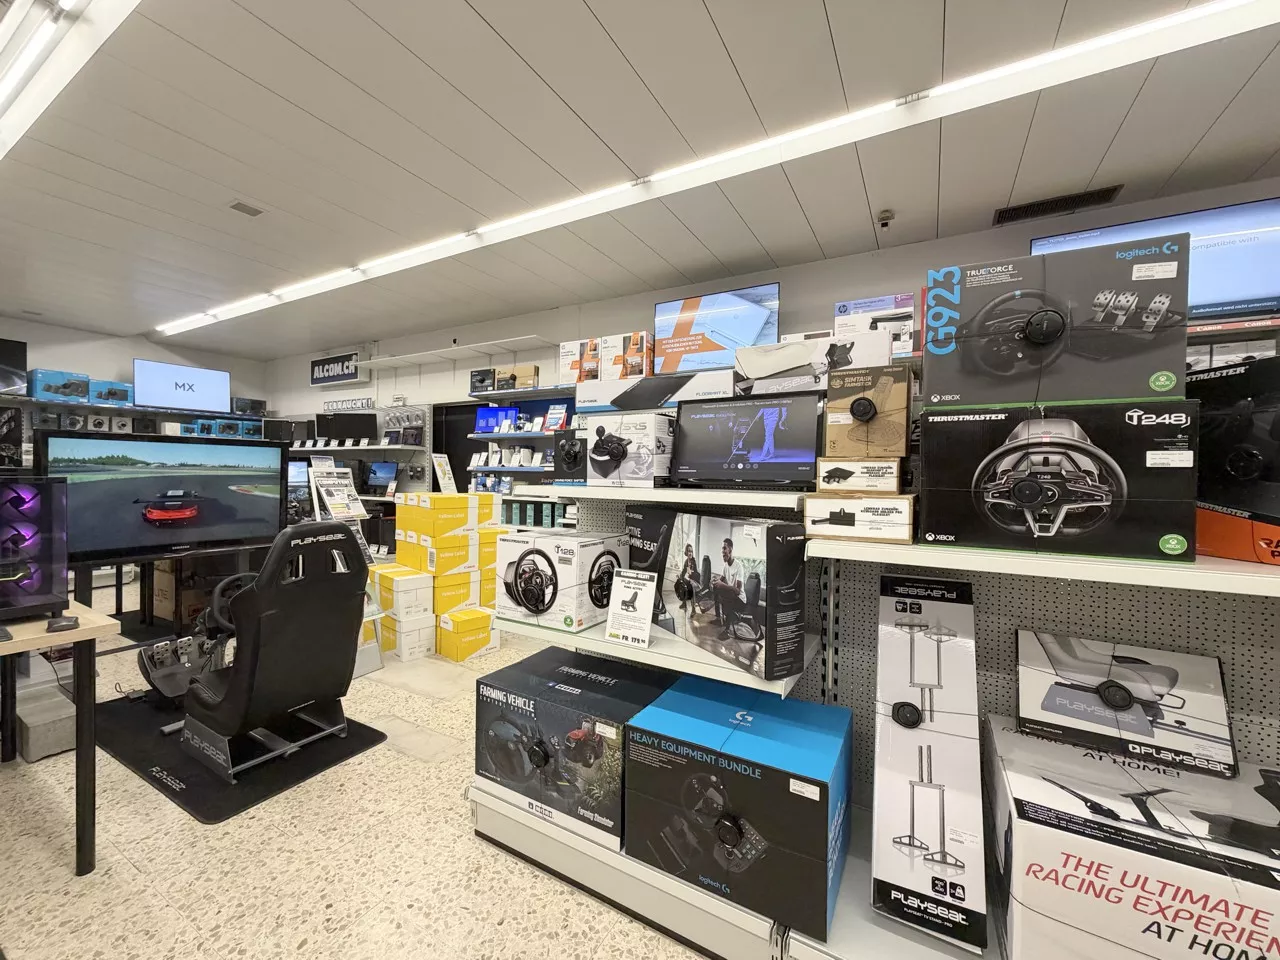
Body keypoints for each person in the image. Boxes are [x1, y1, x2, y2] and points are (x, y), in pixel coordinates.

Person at [711, 538, 745, 634]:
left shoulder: (739, 566)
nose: (722, 551)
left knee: (729, 595)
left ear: (730, 549)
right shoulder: (726, 566)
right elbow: (720, 580)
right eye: (722, 549)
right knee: (716, 587)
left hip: (740, 600)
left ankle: (727, 630)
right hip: (731, 595)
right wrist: (714, 581)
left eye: (724, 548)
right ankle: (719, 618)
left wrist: (722, 585)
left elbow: (737, 591)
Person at [678, 543, 698, 611]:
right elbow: (683, 572)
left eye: (691, 551)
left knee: (691, 586)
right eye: (689, 551)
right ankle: (684, 603)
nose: (690, 553)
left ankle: (693, 609)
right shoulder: (686, 562)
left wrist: (692, 573)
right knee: (682, 584)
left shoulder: (693, 561)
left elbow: (696, 574)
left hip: (694, 581)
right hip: (688, 580)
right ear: (686, 552)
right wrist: (680, 577)